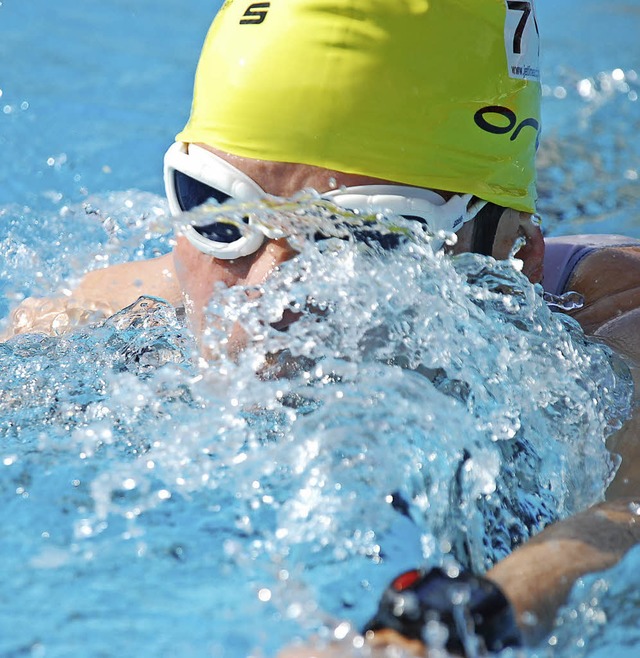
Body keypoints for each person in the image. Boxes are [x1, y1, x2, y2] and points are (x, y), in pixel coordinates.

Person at [4, 0, 640, 652]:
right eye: (218, 208)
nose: (268, 303)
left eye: (359, 238)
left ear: (517, 260)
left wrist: (427, 636)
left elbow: (623, 515)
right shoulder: (122, 304)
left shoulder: (613, 329)